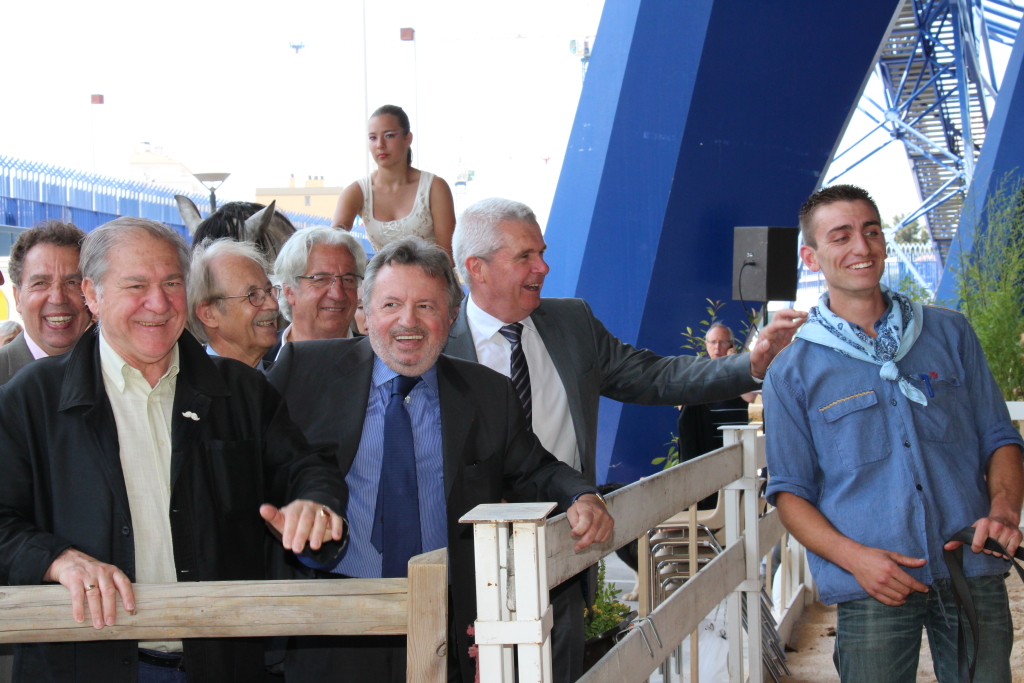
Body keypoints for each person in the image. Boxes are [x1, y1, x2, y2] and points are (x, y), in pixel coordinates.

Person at [445, 197, 807, 683]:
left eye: (543, 252)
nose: (544, 267)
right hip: (465, 564)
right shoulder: (439, 342)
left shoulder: (572, 324)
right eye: (525, 256)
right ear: (477, 268)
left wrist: (751, 365)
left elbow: (655, 376)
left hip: (567, 550)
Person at [0, 217, 348, 683]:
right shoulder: (33, 398)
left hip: (219, 665)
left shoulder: (241, 391)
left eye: (171, 283)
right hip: (83, 664)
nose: (158, 303)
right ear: (93, 294)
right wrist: (55, 559)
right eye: (136, 285)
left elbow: (308, 469)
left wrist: (315, 508)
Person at [267, 236, 612, 683]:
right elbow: (256, 454)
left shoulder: (488, 394)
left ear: (451, 317)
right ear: (365, 313)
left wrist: (582, 494)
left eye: (427, 307)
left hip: (445, 624)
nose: (407, 322)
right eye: (391, 304)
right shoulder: (302, 371)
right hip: (331, 621)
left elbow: (536, 468)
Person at [764, 184, 1024, 682]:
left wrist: (1004, 512)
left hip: (972, 562)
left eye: (871, 231)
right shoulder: (792, 371)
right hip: (873, 583)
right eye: (841, 237)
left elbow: (999, 436)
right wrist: (856, 560)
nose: (861, 247)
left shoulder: (951, 333)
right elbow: (790, 493)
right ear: (811, 257)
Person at [331, 104, 456, 259]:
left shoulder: (435, 187)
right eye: (373, 138)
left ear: (408, 138)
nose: (380, 145)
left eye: (389, 135)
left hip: (434, 280)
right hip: (382, 281)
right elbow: (331, 243)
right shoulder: (357, 191)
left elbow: (448, 257)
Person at [0, 220, 92, 385]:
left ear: (91, 294)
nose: (58, 298)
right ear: (17, 298)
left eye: (72, 282)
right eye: (40, 283)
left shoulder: (118, 372)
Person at [676, 323, 756, 509]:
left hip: (736, 449)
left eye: (722, 342)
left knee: (736, 504)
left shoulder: (742, 367)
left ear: (731, 345)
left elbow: (749, 397)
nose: (717, 347)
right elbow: (683, 408)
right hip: (708, 449)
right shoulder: (700, 372)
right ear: (706, 345)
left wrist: (734, 363)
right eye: (712, 342)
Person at [187, 238, 280, 370]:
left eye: (269, 291)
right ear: (209, 315)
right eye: (252, 295)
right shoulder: (181, 387)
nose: (273, 305)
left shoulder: (291, 383)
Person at [273, 226, 366, 349]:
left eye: (348, 280)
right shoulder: (257, 359)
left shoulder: (380, 362)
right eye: (321, 279)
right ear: (289, 291)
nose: (338, 295)